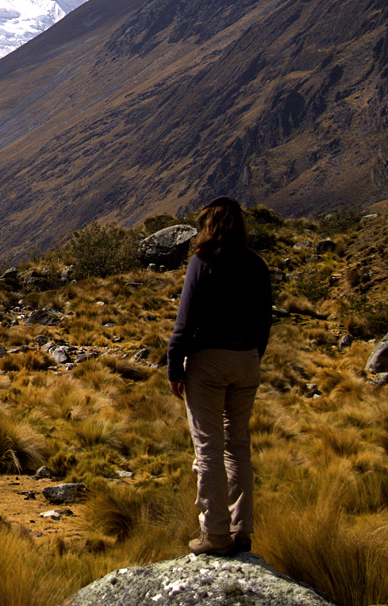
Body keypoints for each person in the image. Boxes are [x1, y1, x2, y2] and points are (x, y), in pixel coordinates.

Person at [166, 197, 272, 556]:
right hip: (247, 361)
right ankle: (242, 531)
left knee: (208, 448)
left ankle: (214, 533)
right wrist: (254, 355)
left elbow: (185, 319)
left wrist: (174, 366)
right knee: (238, 446)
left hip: (208, 363)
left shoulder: (203, 262)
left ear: (208, 227)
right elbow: (265, 319)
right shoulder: (256, 264)